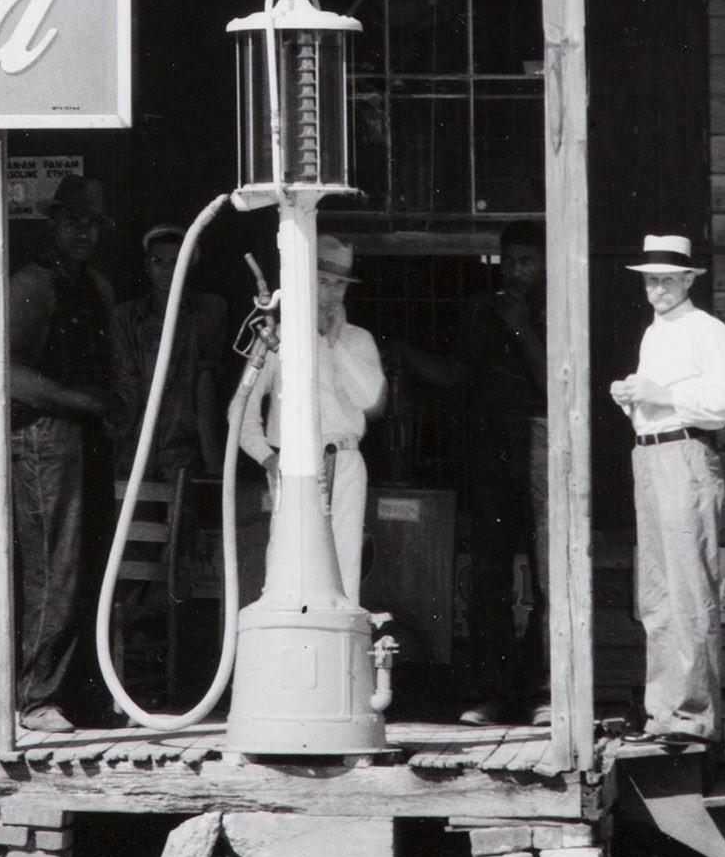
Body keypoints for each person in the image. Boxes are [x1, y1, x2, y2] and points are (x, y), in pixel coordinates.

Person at [394, 222, 551, 724]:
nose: (516, 271)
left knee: (551, 574)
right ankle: (496, 693)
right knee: (489, 575)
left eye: (527, 261)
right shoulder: (481, 311)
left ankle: (547, 691)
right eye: (510, 261)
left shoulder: (559, 306)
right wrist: (401, 353)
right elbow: (455, 376)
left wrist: (524, 327)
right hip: (491, 450)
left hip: (545, 444)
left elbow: (558, 387)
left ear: (546, 264)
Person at [610, 231, 725, 748]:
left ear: (689, 280)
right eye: (651, 280)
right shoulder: (653, 335)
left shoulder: (706, 330)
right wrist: (632, 398)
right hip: (648, 454)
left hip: (686, 456)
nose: (658, 288)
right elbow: (659, 401)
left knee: (689, 586)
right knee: (658, 593)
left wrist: (659, 395)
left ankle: (694, 716)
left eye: (668, 279)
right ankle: (664, 713)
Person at [5, 177, 119, 731]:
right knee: (56, 566)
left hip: (88, 436)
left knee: (92, 562)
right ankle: (36, 697)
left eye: (92, 223)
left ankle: (84, 695)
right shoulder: (32, 285)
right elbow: (9, 373)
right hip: (44, 438)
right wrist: (83, 401)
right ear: (54, 223)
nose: (83, 232)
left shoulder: (94, 285)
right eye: (73, 221)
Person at [234, 231, 387, 604]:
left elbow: (371, 400)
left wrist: (334, 344)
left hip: (346, 460)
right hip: (294, 463)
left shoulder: (358, 340)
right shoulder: (278, 339)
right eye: (323, 282)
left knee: (344, 566)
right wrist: (266, 458)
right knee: (289, 561)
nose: (331, 293)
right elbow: (240, 410)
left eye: (339, 285)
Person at [110, 221, 229, 486]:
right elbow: (126, 384)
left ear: (189, 264)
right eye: (158, 261)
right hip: (136, 449)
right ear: (146, 266)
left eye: (176, 261)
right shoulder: (127, 317)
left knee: (181, 522)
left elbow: (205, 385)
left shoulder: (208, 311)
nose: (167, 270)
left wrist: (213, 463)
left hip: (185, 452)